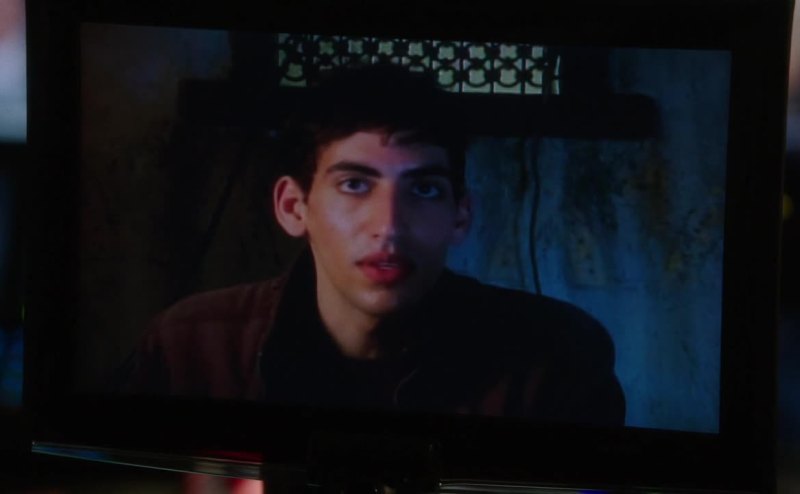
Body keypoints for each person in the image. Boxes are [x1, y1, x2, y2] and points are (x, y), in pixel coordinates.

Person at [120, 64, 626, 426]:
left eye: (424, 189)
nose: (389, 226)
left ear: (461, 215)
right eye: (355, 184)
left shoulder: (557, 358)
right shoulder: (190, 346)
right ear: (294, 207)